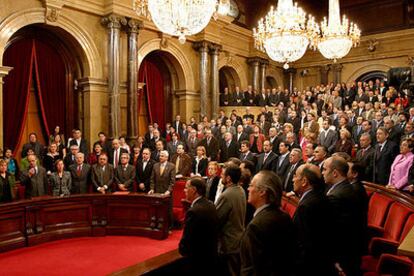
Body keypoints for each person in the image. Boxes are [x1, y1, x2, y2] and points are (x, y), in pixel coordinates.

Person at [240, 170, 296, 276]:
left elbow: (255, 268)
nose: (248, 189)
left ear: (262, 192)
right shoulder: (284, 216)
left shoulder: (256, 226)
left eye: (251, 185)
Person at [323, 156, 366, 276]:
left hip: (343, 255)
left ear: (335, 173)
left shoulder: (337, 195)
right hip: (349, 251)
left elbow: (335, 231)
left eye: (325, 169)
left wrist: (334, 259)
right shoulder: (346, 187)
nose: (322, 173)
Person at [292, 163, 334, 275]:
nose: (293, 179)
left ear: (304, 181)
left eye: (295, 176)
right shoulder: (320, 197)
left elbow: (304, 242)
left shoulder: (306, 206)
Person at [179, 177, 219, 275]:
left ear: (194, 190)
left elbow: (187, 239)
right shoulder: (210, 204)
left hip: (197, 260)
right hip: (210, 257)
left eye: (186, 187)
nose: (184, 190)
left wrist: (182, 250)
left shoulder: (194, 211)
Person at [215, 164, 246, 276]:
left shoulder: (227, 195)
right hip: (238, 240)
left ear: (228, 178)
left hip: (228, 244)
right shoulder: (241, 190)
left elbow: (216, 220)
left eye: (223, 174)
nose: (220, 176)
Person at [149, 150, 175, 227]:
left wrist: (168, 191)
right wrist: (152, 188)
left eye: (162, 156)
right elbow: (152, 179)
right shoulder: (155, 165)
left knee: (167, 210)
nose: (160, 157)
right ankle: (156, 224)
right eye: (160, 155)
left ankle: (169, 226)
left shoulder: (171, 166)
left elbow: (172, 181)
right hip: (157, 191)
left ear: (167, 157)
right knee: (156, 209)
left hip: (166, 192)